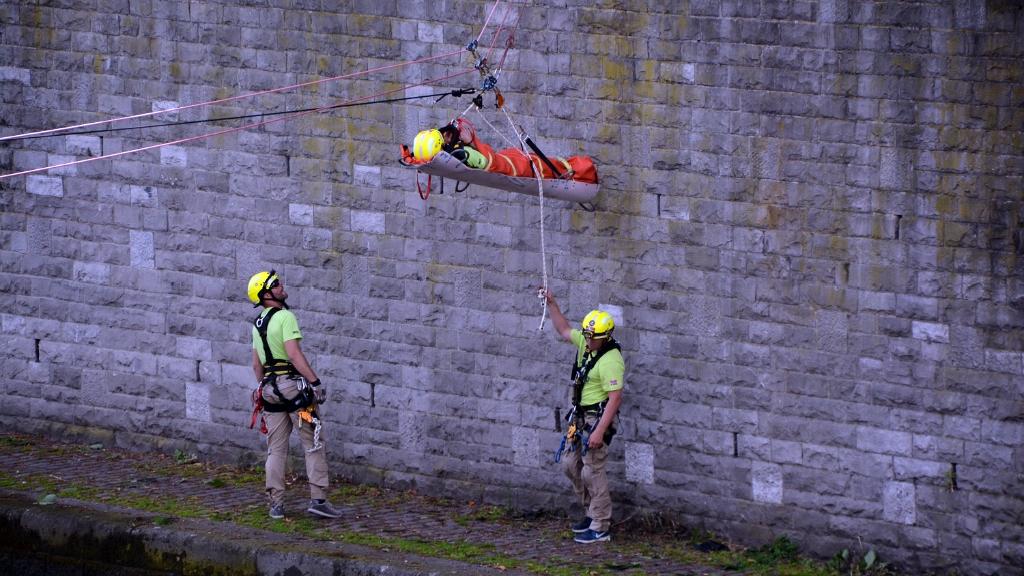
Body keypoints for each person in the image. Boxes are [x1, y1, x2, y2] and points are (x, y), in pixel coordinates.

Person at [247, 270, 342, 520]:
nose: (281, 287)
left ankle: (276, 504)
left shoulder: (257, 324)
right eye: (275, 285)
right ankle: (318, 500)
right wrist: (315, 382)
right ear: (266, 294)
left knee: (275, 449)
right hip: (293, 389)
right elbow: (294, 354)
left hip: (269, 390)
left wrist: (263, 387)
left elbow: (257, 365)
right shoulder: (285, 317)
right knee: (313, 442)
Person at [542, 289, 625, 544]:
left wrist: (599, 430)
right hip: (578, 417)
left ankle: (601, 524)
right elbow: (565, 330)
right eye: (586, 336)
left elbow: (615, 398)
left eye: (592, 338)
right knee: (570, 465)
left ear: (605, 337)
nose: (587, 342)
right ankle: (591, 512)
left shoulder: (610, 360)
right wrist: (552, 304)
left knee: (592, 470)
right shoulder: (586, 344)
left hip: (596, 418)